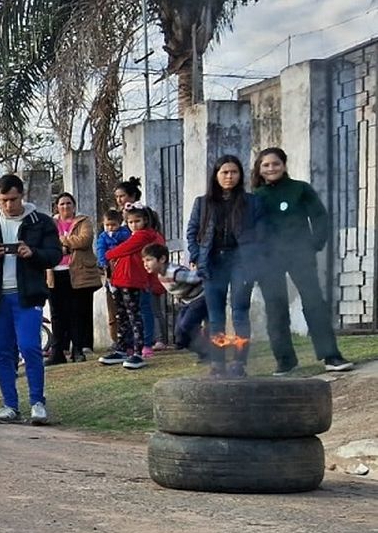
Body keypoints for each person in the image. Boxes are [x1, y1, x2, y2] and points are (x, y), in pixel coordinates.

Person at [0, 174, 64, 425]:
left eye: (14, 199)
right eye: (4, 200)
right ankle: (9, 405)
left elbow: (54, 255)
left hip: (27, 294)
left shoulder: (40, 222)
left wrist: (33, 253)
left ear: (22, 196)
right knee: (1, 352)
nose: (9, 205)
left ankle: (37, 403)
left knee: (30, 347)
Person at [253, 147, 353, 373]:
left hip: (300, 254)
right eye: (266, 165)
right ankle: (285, 360)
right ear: (259, 169)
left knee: (314, 302)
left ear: (284, 165)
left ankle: (331, 356)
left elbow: (319, 217)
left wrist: (314, 244)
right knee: (275, 308)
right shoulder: (255, 197)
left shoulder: (300, 189)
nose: (271, 168)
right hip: (269, 260)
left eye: (276, 163)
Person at [187, 155, 265, 378]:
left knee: (240, 312)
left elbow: (261, 233)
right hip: (213, 263)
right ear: (216, 175)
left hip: (242, 261)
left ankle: (239, 363)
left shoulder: (252, 202)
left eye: (234, 172)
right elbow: (192, 232)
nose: (229, 176)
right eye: (224, 172)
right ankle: (217, 364)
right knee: (215, 316)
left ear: (240, 175)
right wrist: (196, 255)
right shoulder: (203, 203)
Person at [101, 203, 165, 370]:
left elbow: (124, 249)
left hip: (133, 280)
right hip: (121, 279)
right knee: (122, 315)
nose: (134, 225)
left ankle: (137, 351)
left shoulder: (144, 235)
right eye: (130, 222)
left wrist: (107, 254)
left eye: (137, 221)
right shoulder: (132, 234)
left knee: (134, 316)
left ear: (145, 220)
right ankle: (123, 348)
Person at [48, 192, 103, 364]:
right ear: (57, 206)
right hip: (55, 273)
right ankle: (57, 352)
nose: (65, 207)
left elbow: (84, 240)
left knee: (76, 313)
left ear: (74, 205)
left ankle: (78, 350)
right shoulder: (50, 224)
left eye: (68, 203)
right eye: (62, 204)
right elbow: (47, 243)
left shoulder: (83, 221)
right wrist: (65, 245)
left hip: (77, 273)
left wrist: (63, 241)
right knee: (57, 314)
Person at [142, 243, 208, 360]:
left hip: (199, 298)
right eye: (144, 261)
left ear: (162, 259)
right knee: (180, 337)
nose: (145, 264)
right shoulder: (160, 275)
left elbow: (198, 277)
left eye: (149, 260)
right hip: (186, 302)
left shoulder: (174, 273)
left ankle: (210, 351)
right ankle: (204, 352)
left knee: (186, 326)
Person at [96, 209, 130, 344]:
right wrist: (104, 263)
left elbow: (127, 244)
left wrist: (115, 237)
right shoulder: (103, 237)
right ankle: (115, 339)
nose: (110, 228)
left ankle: (129, 338)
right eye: (107, 225)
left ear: (119, 224)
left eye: (113, 225)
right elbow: (100, 250)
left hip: (124, 270)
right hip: (110, 272)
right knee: (113, 308)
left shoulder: (124, 234)